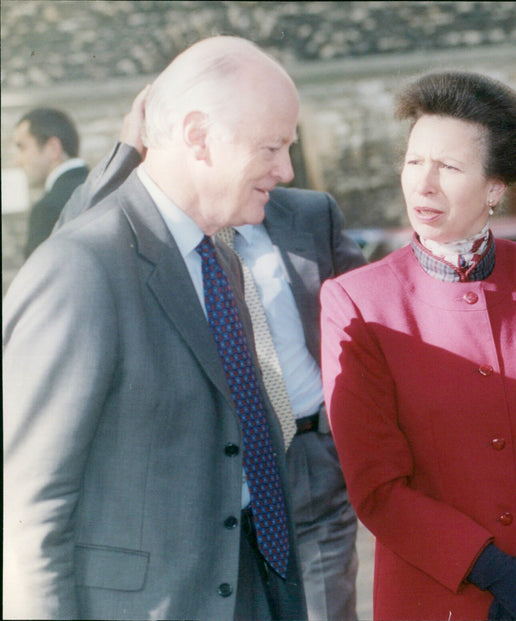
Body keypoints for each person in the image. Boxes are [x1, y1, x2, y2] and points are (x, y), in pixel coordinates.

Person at [320, 71, 516, 620]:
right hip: (441, 595)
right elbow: (376, 486)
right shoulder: (357, 301)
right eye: (414, 161)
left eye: (448, 167)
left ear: (495, 187)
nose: (423, 185)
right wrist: (492, 569)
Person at [4, 36, 308, 620]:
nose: (286, 170)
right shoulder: (79, 270)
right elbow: (29, 517)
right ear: (198, 136)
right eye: (272, 147)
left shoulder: (221, 261)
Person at [55, 75, 365, 621]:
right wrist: (129, 147)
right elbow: (72, 242)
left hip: (311, 457)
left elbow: (369, 323)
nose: (283, 167)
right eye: (269, 147)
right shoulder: (147, 243)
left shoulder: (309, 214)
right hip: (210, 470)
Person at [13, 107, 89, 257]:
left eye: (22, 147)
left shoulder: (47, 210)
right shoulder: (107, 187)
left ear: (53, 148)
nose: (18, 161)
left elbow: (38, 279)